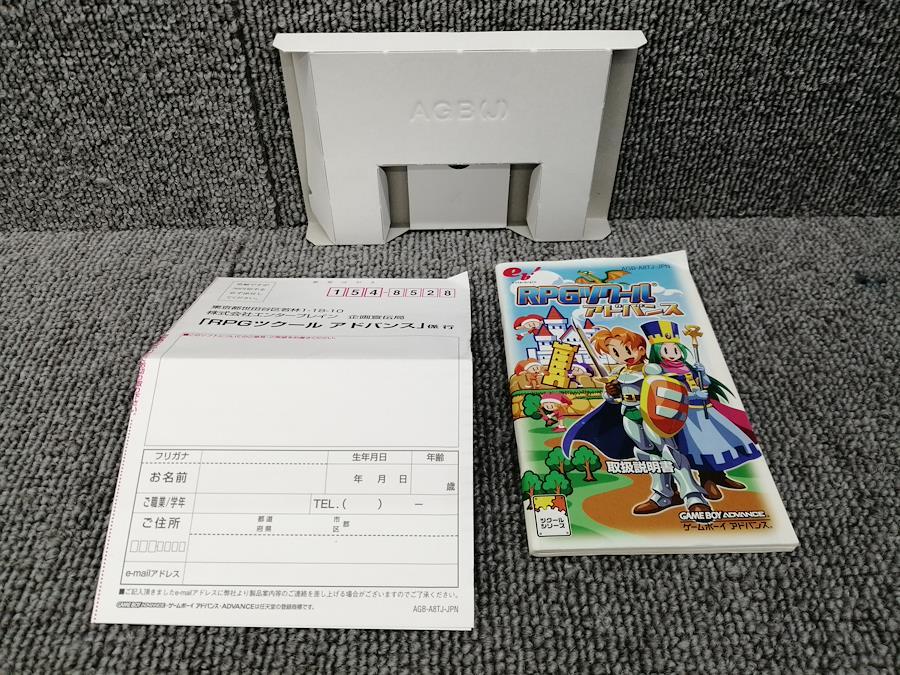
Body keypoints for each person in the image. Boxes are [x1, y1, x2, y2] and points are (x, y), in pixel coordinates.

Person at [563, 327, 711, 516]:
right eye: (615, 353)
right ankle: (662, 495)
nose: (623, 356)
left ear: (641, 349)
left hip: (652, 414)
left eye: (628, 349)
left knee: (669, 452)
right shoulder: (618, 373)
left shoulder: (651, 369)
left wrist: (694, 395)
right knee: (647, 455)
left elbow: (670, 390)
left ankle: (693, 496)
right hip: (629, 414)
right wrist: (611, 392)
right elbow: (612, 400)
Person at [641, 320, 761, 499]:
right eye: (667, 350)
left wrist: (702, 374)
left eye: (675, 349)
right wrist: (693, 396)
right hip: (687, 415)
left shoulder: (686, 367)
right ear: (658, 352)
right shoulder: (660, 372)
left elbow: (704, 384)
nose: (672, 354)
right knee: (700, 448)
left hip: (706, 410)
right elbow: (665, 395)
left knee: (718, 443)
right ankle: (707, 480)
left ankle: (719, 476)